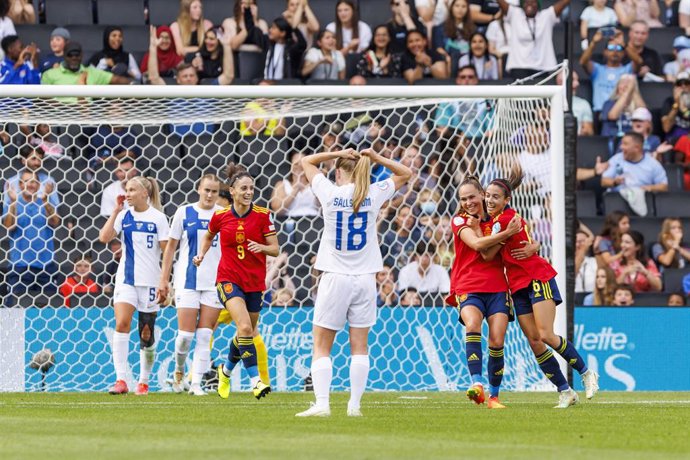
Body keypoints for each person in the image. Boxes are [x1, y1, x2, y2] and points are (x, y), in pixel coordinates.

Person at [295, 147, 412, 417]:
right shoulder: (372, 193)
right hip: (365, 280)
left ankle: (323, 404)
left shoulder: (330, 192)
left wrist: (338, 151)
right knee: (359, 347)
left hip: (335, 276)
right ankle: (354, 406)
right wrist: (375, 157)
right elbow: (406, 173)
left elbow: (306, 160)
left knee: (322, 346)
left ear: (338, 172)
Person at [484, 169, 599, 406]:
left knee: (546, 334)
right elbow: (523, 240)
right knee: (534, 340)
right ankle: (565, 391)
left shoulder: (505, 220)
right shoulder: (499, 221)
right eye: (488, 195)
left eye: (496, 197)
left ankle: (587, 373)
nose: (489, 200)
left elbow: (487, 253)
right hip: (516, 285)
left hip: (535, 277)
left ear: (507, 200)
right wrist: (532, 243)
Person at [193, 166, 278, 400]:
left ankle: (226, 371)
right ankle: (256, 382)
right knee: (245, 328)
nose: (249, 192)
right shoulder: (220, 216)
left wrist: (262, 247)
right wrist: (201, 254)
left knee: (245, 332)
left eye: (251, 188)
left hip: (254, 283)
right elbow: (208, 235)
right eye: (244, 188)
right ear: (232, 191)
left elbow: (276, 248)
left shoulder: (262, 215)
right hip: (228, 280)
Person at [446, 174, 524, 408]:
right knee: (472, 325)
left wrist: (533, 246)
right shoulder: (459, 221)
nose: (468, 202)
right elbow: (479, 245)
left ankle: (494, 397)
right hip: (468, 285)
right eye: (463, 199)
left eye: (471, 197)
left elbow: (520, 236)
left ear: (482, 194)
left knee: (497, 340)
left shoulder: (498, 220)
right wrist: (505, 234)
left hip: (498, 287)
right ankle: (476, 384)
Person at [98, 176, 169, 396]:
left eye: (131, 190)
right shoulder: (124, 215)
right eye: (126, 190)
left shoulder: (158, 218)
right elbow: (104, 237)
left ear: (144, 193)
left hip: (149, 281)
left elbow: (167, 252)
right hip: (126, 279)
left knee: (146, 334)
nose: (127, 194)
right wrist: (115, 212)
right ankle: (121, 380)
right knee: (121, 323)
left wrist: (164, 281)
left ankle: (144, 381)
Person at [157, 174, 224, 396]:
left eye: (214, 191)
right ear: (198, 189)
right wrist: (164, 279)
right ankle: (178, 371)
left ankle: (196, 384)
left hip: (214, 283)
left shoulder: (224, 215)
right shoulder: (184, 212)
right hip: (187, 281)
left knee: (205, 336)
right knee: (185, 336)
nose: (210, 195)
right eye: (206, 190)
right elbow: (170, 248)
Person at [2, 170, 60, 307]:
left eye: (34, 181)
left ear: (39, 184)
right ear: (21, 185)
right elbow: (9, 226)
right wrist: (13, 203)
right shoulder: (13, 203)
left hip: (46, 265)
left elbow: (55, 222)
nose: (31, 184)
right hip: (20, 265)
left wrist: (46, 200)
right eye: (27, 181)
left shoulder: (45, 203)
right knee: (16, 309)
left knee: (49, 311)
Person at [496, 0, 571, 79]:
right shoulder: (515, 14)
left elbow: (564, 2)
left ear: (538, 4)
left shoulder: (546, 16)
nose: (529, 4)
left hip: (542, 68)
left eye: (533, 2)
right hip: (519, 67)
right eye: (526, 2)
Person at [147, 25, 234, 85]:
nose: (189, 79)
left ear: (197, 79)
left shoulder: (207, 93)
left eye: (192, 76)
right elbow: (154, 78)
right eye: (185, 76)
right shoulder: (172, 93)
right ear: (178, 80)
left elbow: (228, 76)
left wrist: (226, 46)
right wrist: (153, 48)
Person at [580, 29, 639, 113]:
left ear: (623, 53)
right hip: (600, 112)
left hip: (622, 111)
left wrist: (624, 44)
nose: (615, 51)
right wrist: (593, 42)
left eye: (619, 48)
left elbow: (639, 61)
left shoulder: (627, 69)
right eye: (611, 48)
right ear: (605, 52)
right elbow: (583, 62)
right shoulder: (598, 69)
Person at [601, 132, 668, 193]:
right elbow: (603, 181)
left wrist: (650, 187)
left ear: (637, 147)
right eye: (622, 144)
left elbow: (664, 186)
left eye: (625, 144)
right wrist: (615, 182)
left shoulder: (652, 164)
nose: (621, 147)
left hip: (642, 200)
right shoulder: (616, 159)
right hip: (618, 199)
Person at [41, 41, 132, 86]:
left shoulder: (91, 72)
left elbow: (116, 79)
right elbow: (43, 100)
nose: (74, 58)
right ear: (64, 56)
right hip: (58, 117)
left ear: (82, 56)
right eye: (70, 55)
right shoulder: (50, 74)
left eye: (77, 55)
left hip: (85, 118)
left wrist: (133, 84)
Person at [270, 151, 319, 218]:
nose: (299, 166)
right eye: (296, 164)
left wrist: (315, 191)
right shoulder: (282, 184)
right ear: (291, 166)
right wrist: (295, 190)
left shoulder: (314, 184)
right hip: (290, 223)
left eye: (302, 163)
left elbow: (324, 209)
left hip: (315, 222)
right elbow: (277, 211)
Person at [600, 74, 647, 139]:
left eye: (629, 83)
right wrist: (628, 91)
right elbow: (613, 116)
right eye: (623, 82)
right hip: (612, 138)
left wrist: (633, 90)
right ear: (617, 87)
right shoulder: (609, 103)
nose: (626, 86)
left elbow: (644, 114)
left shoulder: (637, 105)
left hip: (633, 140)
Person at [661, 71, 690, 140]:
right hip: (674, 141)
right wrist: (676, 105)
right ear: (675, 87)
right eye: (679, 84)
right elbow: (666, 128)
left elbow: (688, 115)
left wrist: (683, 108)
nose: (683, 86)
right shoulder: (669, 102)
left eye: (686, 83)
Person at [575, 229, 597, 294]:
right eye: (576, 241)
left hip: (592, 298)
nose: (578, 244)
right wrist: (583, 248)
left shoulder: (594, 261)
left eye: (582, 241)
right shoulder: (564, 262)